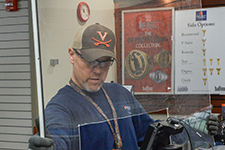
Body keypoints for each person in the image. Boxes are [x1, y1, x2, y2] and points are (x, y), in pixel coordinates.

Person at [28, 23, 218, 150]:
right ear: (72, 55)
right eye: (91, 61)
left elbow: (152, 132)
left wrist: (197, 125)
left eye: (105, 62)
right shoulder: (60, 106)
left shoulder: (119, 93)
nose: (98, 70)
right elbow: (59, 139)